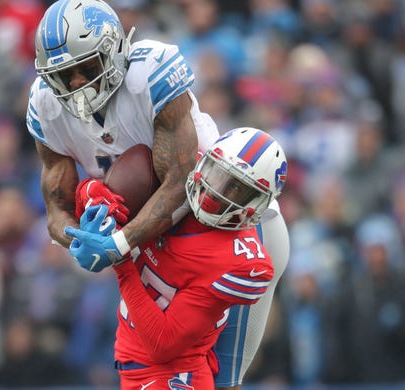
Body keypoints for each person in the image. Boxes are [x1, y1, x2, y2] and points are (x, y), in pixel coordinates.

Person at [26, 1, 290, 388]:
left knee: (223, 379)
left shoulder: (150, 73)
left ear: (115, 50)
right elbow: (57, 206)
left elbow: (178, 182)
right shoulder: (45, 104)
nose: (79, 83)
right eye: (65, 75)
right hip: (157, 248)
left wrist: (118, 244)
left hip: (223, 234)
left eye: (87, 68)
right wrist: (80, 236)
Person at [65, 127, 288, 389]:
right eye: (217, 174)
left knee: (229, 380)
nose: (215, 192)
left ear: (258, 204)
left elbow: (162, 343)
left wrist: (121, 260)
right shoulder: (170, 179)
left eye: (237, 190)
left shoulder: (238, 261)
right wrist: (93, 196)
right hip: (134, 366)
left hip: (174, 377)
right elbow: (96, 190)